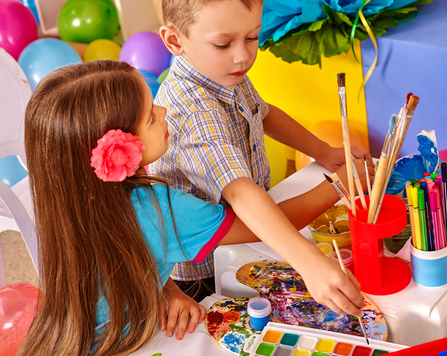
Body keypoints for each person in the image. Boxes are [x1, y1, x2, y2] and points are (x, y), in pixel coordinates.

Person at [16, 60, 364, 356]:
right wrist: (339, 186)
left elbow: (127, 255)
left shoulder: (70, 199)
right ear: (119, 152)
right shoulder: (163, 208)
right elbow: (268, 224)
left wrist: (164, 289)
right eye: (151, 116)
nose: (165, 110)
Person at [153, 0, 374, 302]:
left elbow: (263, 113)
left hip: (252, 233)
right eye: (223, 43)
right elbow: (242, 195)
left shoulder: (219, 71)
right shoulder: (194, 112)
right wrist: (310, 260)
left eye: (252, 37)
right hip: (209, 271)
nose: (243, 56)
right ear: (176, 41)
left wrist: (322, 151)